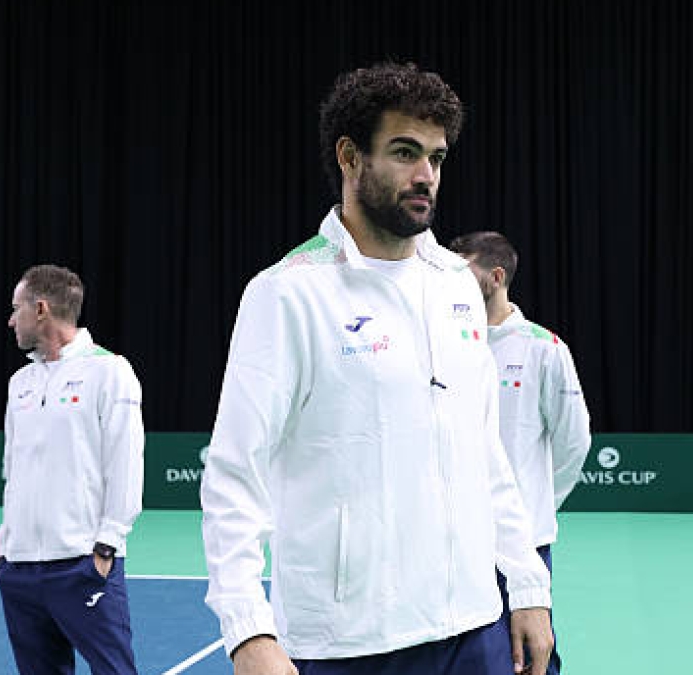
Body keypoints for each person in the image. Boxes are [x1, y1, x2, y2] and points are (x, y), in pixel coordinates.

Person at [200, 62, 554, 675]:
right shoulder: (287, 294)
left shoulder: (457, 287)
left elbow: (484, 451)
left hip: (474, 628)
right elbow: (235, 472)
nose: (426, 176)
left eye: (437, 158)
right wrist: (248, 631)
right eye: (404, 152)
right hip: (348, 643)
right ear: (350, 156)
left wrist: (526, 587)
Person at [448, 231, 592, 675]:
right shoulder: (447, 342)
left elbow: (574, 443)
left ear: (495, 276)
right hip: (453, 538)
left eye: (462, 271)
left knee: (529, 654)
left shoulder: (543, 348)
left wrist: (534, 508)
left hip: (522, 541)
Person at [0, 264, 145, 675]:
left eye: (16, 308)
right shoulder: (19, 382)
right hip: (20, 571)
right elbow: (13, 470)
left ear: (40, 308)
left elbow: (126, 467)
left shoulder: (110, 371)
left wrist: (106, 547)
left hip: (83, 566)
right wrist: (5, 549)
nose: (11, 320)